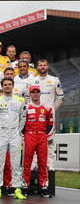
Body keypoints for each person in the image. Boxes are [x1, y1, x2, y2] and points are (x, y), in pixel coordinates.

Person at [0, 78, 26, 199]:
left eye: (10, 84)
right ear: (2, 86)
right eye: (5, 85)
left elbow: (23, 118)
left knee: (16, 163)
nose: (8, 86)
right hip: (1, 134)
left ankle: (17, 189)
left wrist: (17, 130)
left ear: (13, 86)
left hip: (15, 134)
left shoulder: (20, 101)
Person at [30, 59, 63, 189]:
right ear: (37, 67)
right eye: (40, 65)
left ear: (47, 66)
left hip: (48, 116)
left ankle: (50, 165)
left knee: (49, 141)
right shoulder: (32, 80)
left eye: (44, 65)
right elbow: (27, 97)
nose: (42, 67)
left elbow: (60, 97)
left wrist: (51, 110)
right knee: (32, 140)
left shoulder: (54, 80)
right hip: (34, 115)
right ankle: (33, 165)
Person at [22, 86, 55, 197]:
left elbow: (50, 124)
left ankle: (44, 187)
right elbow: (22, 125)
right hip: (29, 137)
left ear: (40, 93)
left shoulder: (47, 108)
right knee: (27, 162)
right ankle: (25, 186)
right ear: (30, 94)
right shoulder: (25, 108)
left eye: (37, 92)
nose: (35, 94)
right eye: (33, 92)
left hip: (41, 137)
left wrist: (43, 134)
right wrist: (25, 135)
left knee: (42, 162)